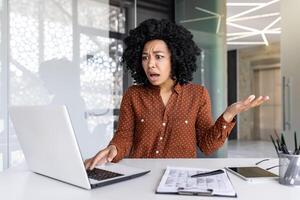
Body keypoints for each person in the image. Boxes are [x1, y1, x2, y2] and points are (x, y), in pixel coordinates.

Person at [84, 19, 269, 170]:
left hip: (182, 179)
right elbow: (124, 136)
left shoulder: (198, 95)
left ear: (175, 58)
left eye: (158, 56)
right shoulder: (133, 95)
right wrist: (113, 148)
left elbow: (207, 145)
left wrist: (229, 114)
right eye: (145, 57)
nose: (150, 64)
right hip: (141, 177)